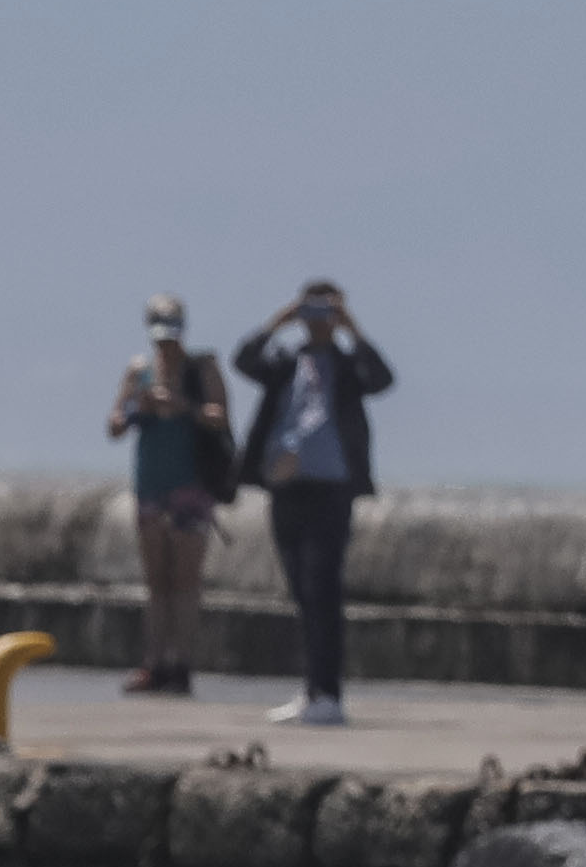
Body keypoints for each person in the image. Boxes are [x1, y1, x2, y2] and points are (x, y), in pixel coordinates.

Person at [227, 279, 393, 727]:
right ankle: (311, 689)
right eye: (311, 311)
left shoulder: (346, 365)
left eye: (326, 312)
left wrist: (352, 331)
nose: (317, 320)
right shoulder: (286, 362)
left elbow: (382, 379)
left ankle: (329, 692)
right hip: (287, 486)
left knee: (324, 588)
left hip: (331, 489)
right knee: (301, 589)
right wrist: (278, 322)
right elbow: (243, 360)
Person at [105, 296, 232, 694]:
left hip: (190, 486)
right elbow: (114, 425)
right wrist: (136, 408)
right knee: (156, 581)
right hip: (151, 484)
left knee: (185, 581)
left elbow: (220, 416)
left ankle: (181, 663)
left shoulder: (201, 367)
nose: (166, 346)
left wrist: (183, 406)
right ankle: (154, 662)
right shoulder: (139, 371)